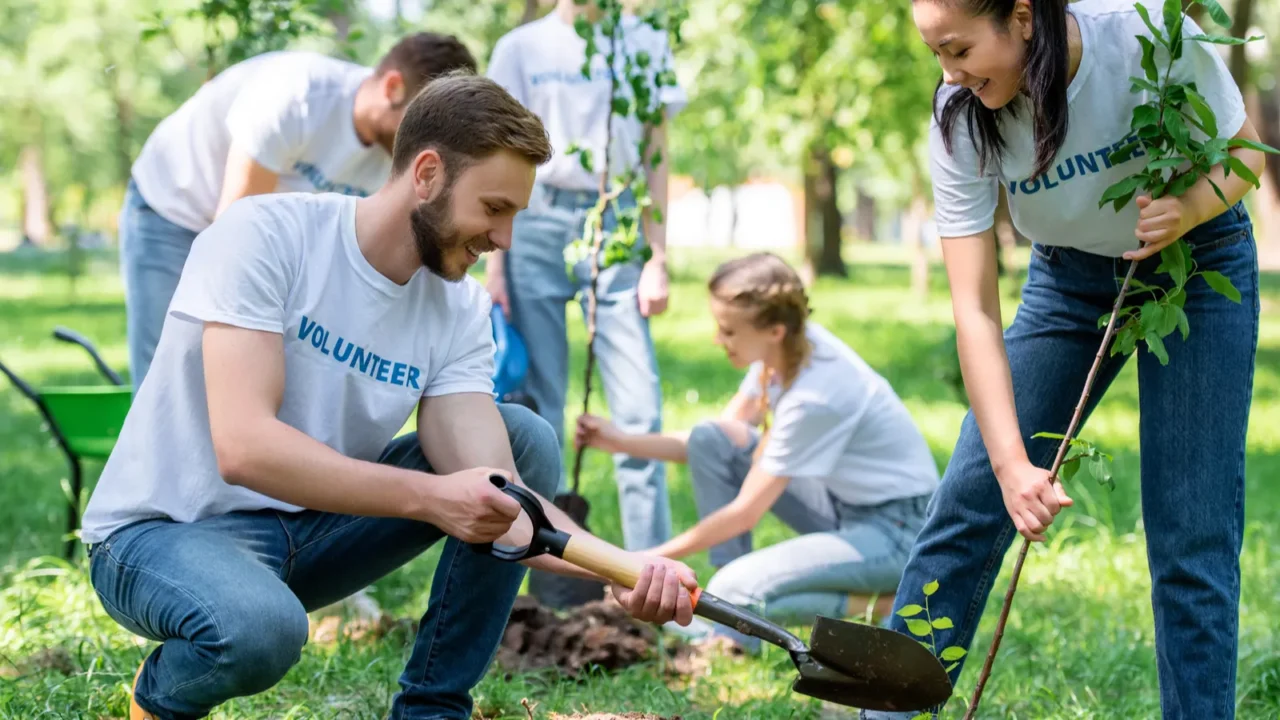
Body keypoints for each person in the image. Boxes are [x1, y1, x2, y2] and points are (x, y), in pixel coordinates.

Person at [80, 72, 697, 720]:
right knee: (260, 630)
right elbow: (245, 448)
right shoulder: (265, 236)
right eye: (494, 209)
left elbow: (499, 494)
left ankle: (432, 710)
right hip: (160, 536)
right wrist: (435, 499)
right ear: (426, 174)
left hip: (308, 535)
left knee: (523, 436)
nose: (505, 239)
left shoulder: (457, 307)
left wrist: (626, 571)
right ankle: (157, 702)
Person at [865, 0, 1268, 717]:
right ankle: (888, 710)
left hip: (1196, 267)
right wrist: (1011, 465)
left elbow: (1243, 153)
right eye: (937, 56)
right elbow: (975, 311)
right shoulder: (960, 117)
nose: (950, 76)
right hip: (1070, 279)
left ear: (1022, 17)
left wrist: (1189, 209)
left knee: (1192, 532)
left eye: (958, 50)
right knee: (965, 502)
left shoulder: (1146, 33)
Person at [574, 251, 940, 652]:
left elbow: (746, 511)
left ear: (775, 330)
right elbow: (711, 441)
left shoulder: (817, 394)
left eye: (728, 331)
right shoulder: (782, 354)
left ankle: (880, 607)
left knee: (737, 588)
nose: (718, 339)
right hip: (841, 506)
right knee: (712, 439)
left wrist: (647, 560)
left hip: (896, 533)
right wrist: (618, 441)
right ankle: (726, 614)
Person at [120, 32, 478, 393]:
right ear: (393, 87)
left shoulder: (399, 158)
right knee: (171, 370)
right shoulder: (298, 94)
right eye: (422, 124)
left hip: (251, 231)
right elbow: (231, 233)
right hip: (173, 206)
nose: (428, 145)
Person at [482, 0, 686, 553]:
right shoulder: (521, 48)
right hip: (535, 217)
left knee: (638, 407)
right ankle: (529, 559)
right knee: (540, 407)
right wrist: (495, 261)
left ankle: (653, 569)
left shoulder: (644, 42)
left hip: (616, 222)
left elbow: (656, 153)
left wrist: (658, 255)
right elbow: (496, 151)